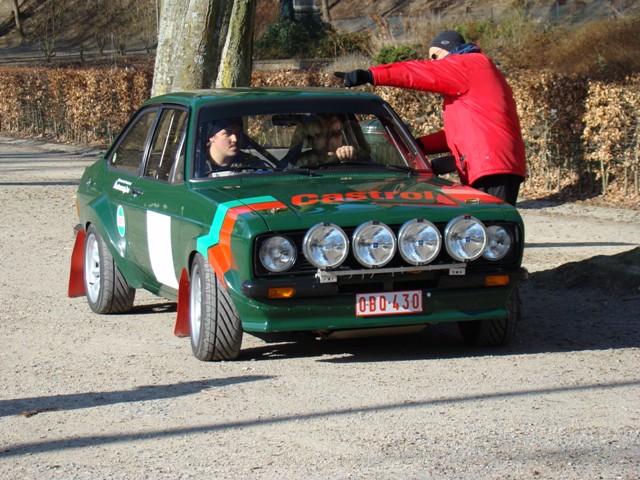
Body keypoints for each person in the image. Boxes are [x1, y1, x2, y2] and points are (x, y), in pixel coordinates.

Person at [335, 30, 527, 206]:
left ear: (450, 49)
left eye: (435, 55)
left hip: (490, 164)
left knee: (493, 226)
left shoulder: (468, 65)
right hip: (493, 162)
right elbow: (460, 134)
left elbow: (419, 72)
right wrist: (419, 146)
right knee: (486, 227)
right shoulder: (474, 76)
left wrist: (370, 75)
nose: (433, 61)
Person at [203, 117, 269, 176]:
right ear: (211, 137)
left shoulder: (252, 164)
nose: (235, 139)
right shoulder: (196, 165)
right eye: (228, 133)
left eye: (238, 133)